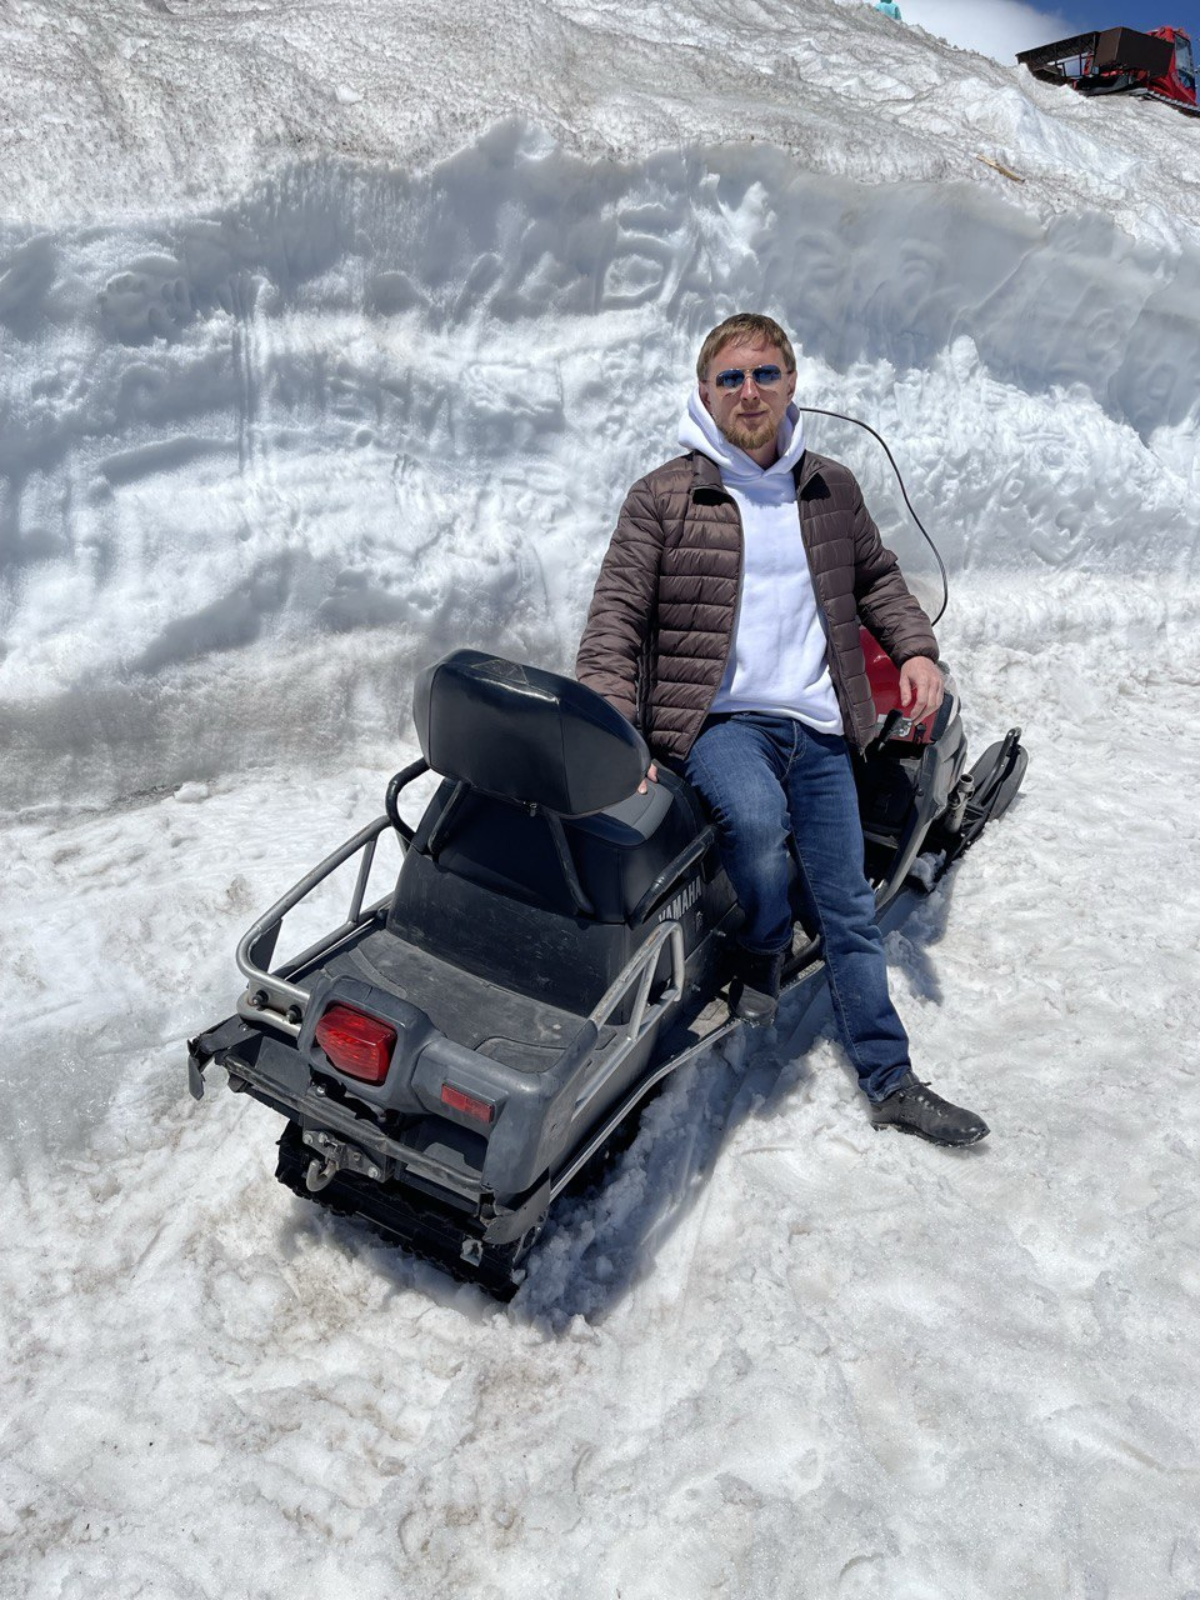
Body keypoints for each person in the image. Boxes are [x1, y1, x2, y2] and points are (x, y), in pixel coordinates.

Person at [575, 313, 987, 1147]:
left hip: (819, 727)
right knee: (758, 826)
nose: (749, 392)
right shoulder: (663, 497)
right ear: (705, 394)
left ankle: (889, 1077)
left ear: (792, 382)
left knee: (848, 907)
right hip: (718, 721)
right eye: (730, 379)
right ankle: (761, 940)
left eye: (764, 374)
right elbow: (614, 621)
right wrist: (617, 732)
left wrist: (915, 648)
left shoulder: (831, 487)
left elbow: (877, 579)